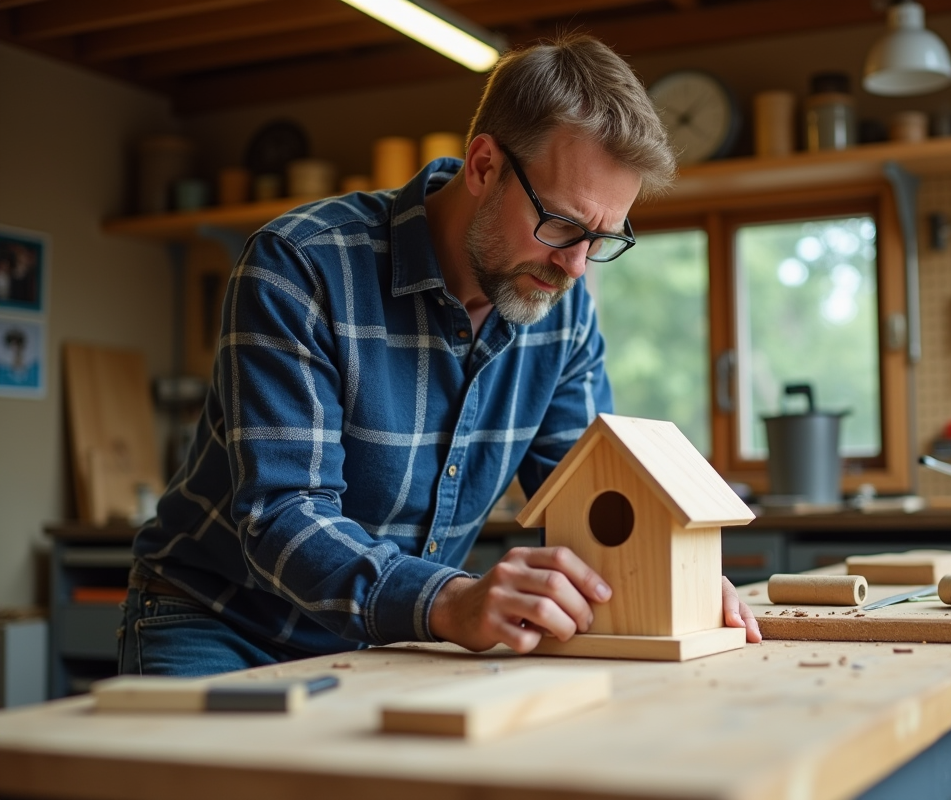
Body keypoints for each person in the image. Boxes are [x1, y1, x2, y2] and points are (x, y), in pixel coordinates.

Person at [120, 33, 761, 677]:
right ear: (483, 165)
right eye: (563, 225)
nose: (574, 266)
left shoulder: (561, 312)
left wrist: (675, 581)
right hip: (223, 622)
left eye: (600, 238)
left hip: (390, 639)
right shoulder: (301, 267)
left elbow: (593, 497)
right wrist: (454, 602)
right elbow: (287, 517)